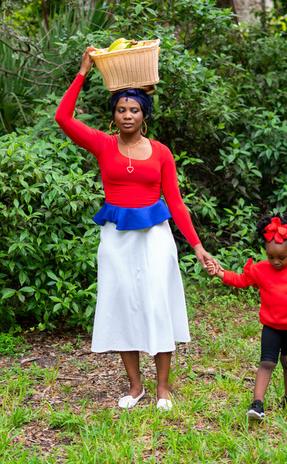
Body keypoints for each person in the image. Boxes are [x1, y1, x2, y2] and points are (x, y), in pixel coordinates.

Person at [55, 47, 217, 411]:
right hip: (115, 238)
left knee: (157, 304)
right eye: (121, 109)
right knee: (122, 303)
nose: (127, 115)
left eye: (134, 110)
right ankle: (135, 386)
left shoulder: (161, 152)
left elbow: (175, 202)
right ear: (113, 115)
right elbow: (63, 118)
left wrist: (197, 245)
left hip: (155, 239)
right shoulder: (102, 144)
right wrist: (83, 72)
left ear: (144, 116)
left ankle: (163, 387)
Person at [208, 212, 287, 420]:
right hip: (271, 326)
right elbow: (241, 280)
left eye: (282, 258)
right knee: (267, 363)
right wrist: (219, 272)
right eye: (271, 257)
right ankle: (257, 404)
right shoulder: (260, 269)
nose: (276, 262)